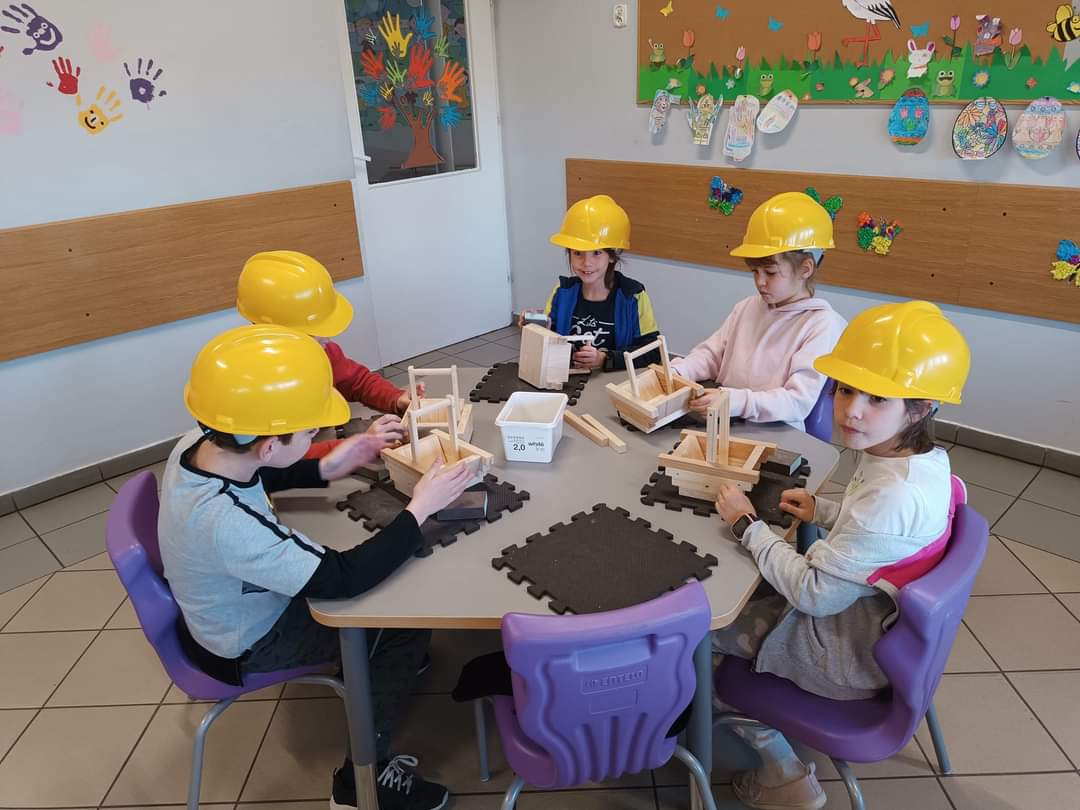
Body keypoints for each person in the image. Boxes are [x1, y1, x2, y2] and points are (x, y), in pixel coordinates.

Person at [159, 324, 472, 810]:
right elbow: (343, 578)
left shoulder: (200, 443)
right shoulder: (224, 523)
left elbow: (263, 471)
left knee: (387, 608)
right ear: (268, 445)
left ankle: (377, 667)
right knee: (402, 624)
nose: (315, 439)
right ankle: (359, 784)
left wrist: (334, 462)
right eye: (310, 434)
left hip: (223, 608)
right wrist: (421, 508)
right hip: (250, 640)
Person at [711, 301, 971, 810]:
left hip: (841, 655)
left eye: (878, 398)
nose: (852, 409)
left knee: (698, 637)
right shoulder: (923, 464)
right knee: (754, 587)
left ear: (920, 408)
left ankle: (784, 774)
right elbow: (883, 539)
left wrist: (747, 525)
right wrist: (824, 511)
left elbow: (814, 595)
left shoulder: (890, 498)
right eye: (846, 389)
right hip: (873, 630)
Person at [670, 192, 846, 430]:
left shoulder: (822, 324)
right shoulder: (747, 307)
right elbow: (711, 355)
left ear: (806, 269)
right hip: (725, 417)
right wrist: (678, 371)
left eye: (770, 273)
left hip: (776, 430)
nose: (760, 282)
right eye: (754, 271)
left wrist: (736, 401)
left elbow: (797, 402)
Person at [237, 250, 420, 458]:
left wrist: (395, 398)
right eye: (315, 330)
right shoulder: (251, 385)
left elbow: (356, 381)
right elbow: (276, 460)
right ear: (278, 332)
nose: (328, 338)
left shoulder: (321, 350)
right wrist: (357, 447)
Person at [528, 194, 662, 371]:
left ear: (612, 256)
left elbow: (653, 352)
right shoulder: (562, 291)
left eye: (597, 253)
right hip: (568, 378)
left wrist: (605, 359)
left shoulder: (632, 296)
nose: (586, 263)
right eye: (577, 253)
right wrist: (535, 327)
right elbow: (547, 340)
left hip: (615, 381)